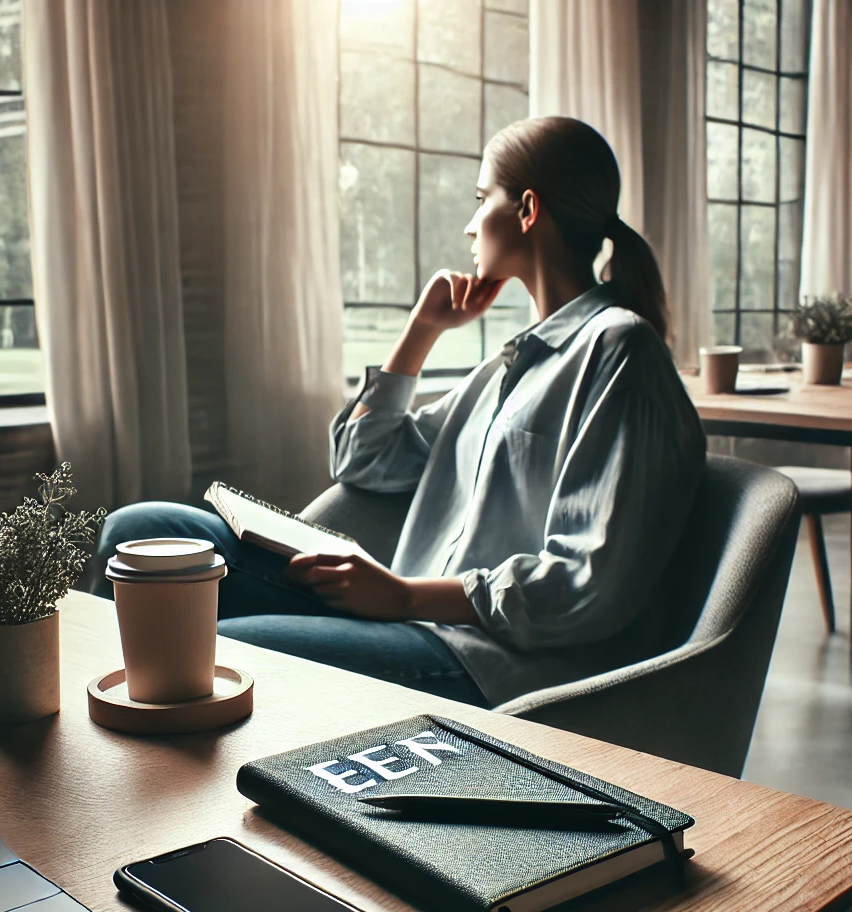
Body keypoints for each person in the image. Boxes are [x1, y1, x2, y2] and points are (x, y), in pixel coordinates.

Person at [94, 116, 706, 709]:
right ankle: (98, 736)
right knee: (138, 531)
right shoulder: (512, 364)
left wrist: (403, 594)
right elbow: (364, 462)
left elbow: (585, 585)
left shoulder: (619, 351)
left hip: (479, 654)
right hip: (397, 609)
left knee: (218, 657)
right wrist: (422, 329)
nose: (470, 226)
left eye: (480, 197)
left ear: (526, 209)